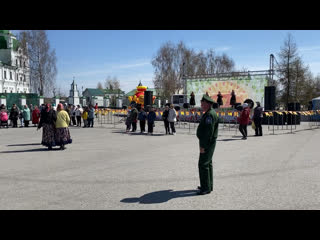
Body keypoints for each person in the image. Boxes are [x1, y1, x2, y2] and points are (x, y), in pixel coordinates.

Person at [196, 94, 219, 195]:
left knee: (203, 164)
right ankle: (208, 185)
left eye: (203, 103)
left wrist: (203, 146)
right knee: (208, 163)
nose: (201, 104)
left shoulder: (209, 114)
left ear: (209, 104)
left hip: (207, 143)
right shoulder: (210, 113)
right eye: (201, 102)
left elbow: (208, 133)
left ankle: (205, 187)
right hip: (209, 142)